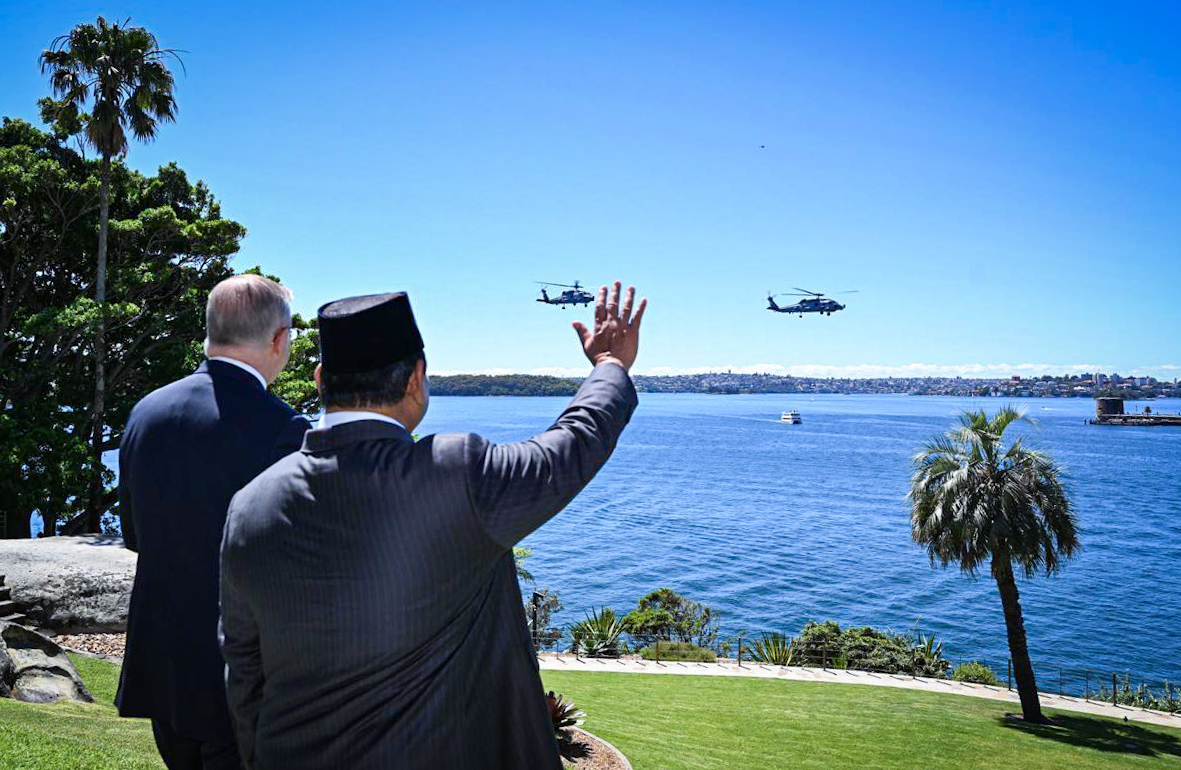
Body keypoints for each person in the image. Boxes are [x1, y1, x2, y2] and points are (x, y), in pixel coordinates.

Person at [219, 281, 646, 770]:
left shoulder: (249, 505)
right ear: (416, 379)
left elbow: (243, 670)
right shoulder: (457, 475)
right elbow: (574, 442)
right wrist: (610, 364)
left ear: (319, 380)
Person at [118, 274, 312, 770]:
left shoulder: (146, 413)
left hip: (162, 661)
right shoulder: (284, 429)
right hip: (239, 670)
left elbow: (135, 535)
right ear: (278, 339)